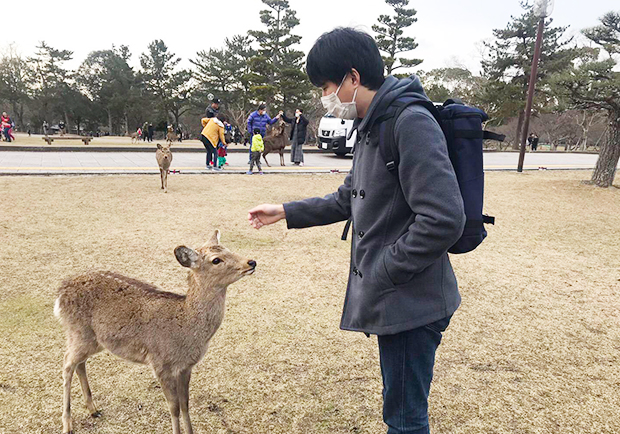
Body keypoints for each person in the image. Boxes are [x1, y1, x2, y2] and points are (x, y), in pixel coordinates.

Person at [247, 27, 465, 434]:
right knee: (400, 410)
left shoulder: (409, 121)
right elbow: (349, 196)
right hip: (398, 298)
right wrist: (285, 211)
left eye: (327, 86)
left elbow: (444, 218)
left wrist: (385, 270)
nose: (323, 97)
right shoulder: (373, 122)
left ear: (353, 77)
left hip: (411, 303)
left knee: (405, 419)